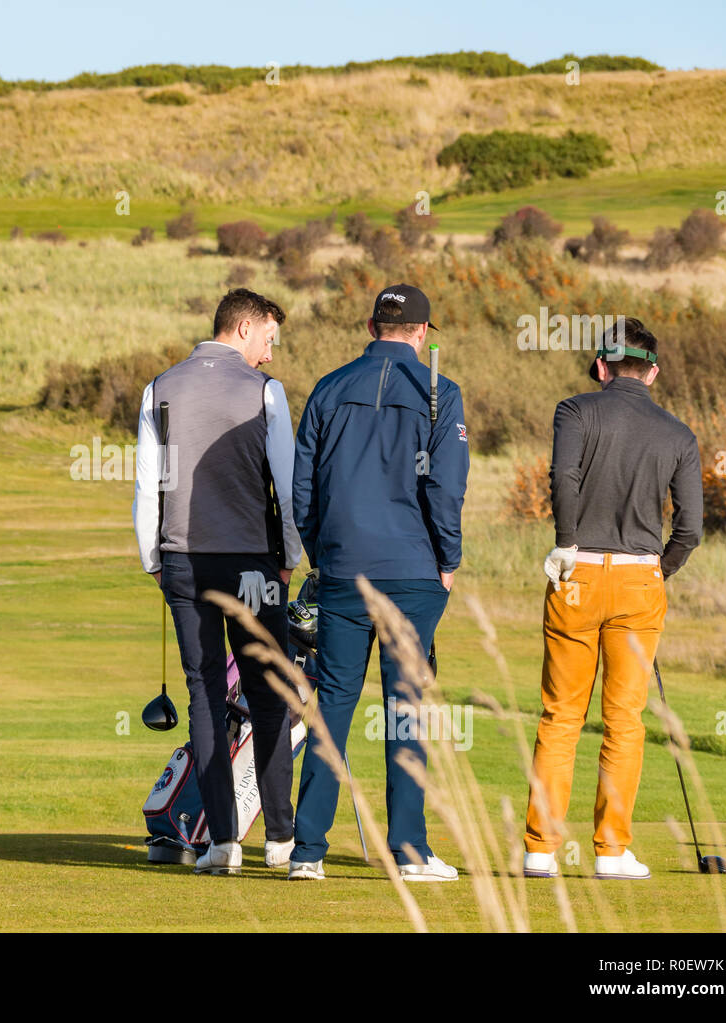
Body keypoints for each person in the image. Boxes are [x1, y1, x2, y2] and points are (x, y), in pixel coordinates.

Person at [290, 284, 468, 882]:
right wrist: (450, 559)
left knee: (332, 704)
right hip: (414, 571)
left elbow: (302, 491)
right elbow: (445, 489)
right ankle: (410, 851)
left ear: (373, 326)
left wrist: (323, 552)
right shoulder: (442, 394)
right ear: (422, 332)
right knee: (405, 709)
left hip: (342, 569)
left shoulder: (328, 387)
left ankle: (307, 852)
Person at [133, 288, 303, 876]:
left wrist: (153, 559)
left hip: (182, 561)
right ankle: (280, 839)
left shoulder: (160, 388)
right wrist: (290, 559)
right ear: (246, 328)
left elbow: (146, 486)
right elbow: (288, 482)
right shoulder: (264, 392)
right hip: (254, 563)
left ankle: (223, 843)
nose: (270, 354)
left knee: (204, 696)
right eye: (269, 340)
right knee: (268, 692)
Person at [524, 318, 702, 881]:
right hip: (639, 581)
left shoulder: (573, 411)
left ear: (601, 367)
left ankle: (540, 850)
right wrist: (657, 573)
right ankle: (611, 852)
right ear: (651, 371)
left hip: (575, 573)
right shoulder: (678, 434)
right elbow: (690, 529)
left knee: (560, 715)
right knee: (624, 720)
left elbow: (564, 478)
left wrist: (566, 544)